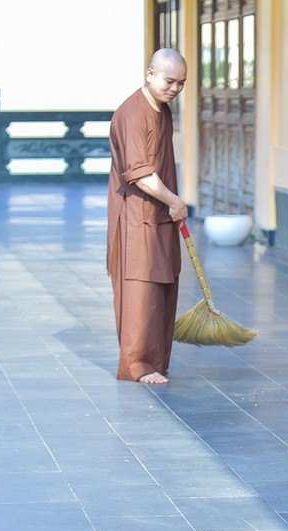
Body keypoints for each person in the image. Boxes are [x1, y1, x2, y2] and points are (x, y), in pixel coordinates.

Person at [106, 48, 189, 384]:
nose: (175, 89)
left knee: (163, 284)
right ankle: (137, 365)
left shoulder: (163, 110)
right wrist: (175, 201)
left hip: (160, 212)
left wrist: (171, 205)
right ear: (150, 74)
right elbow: (139, 173)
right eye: (170, 81)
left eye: (181, 84)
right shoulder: (132, 113)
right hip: (136, 215)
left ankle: (155, 361)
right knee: (139, 288)